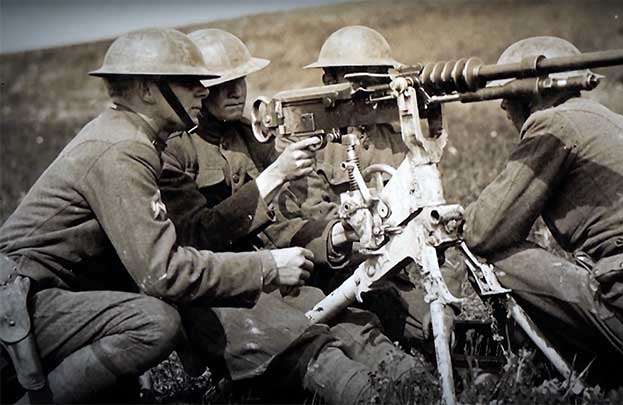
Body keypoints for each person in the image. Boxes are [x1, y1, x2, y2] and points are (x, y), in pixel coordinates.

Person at [0, 28, 311, 403]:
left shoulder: (130, 137)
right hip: (20, 306)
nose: (203, 89)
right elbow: (163, 274)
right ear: (148, 89)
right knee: (153, 324)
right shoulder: (122, 150)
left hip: (46, 298)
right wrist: (266, 267)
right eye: (187, 81)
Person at [159, 28, 429, 404]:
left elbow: (283, 223)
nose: (236, 91)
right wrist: (274, 176)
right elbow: (193, 238)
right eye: (221, 84)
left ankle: (427, 390)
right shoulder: (174, 151)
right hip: (219, 291)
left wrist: (337, 235)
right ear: (198, 90)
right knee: (314, 353)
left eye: (240, 80)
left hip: (282, 277)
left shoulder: (253, 139)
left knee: (356, 329)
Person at [462, 36, 623, 382]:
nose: (503, 106)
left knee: (488, 253)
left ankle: (522, 360)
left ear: (532, 91)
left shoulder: (551, 124)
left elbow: (484, 232)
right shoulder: (615, 123)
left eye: (507, 94)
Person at [289, 25, 461, 350]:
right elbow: (314, 222)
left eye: (376, 79)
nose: (368, 91)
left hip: (390, 273)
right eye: (356, 81)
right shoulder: (311, 145)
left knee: (441, 329)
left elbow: (433, 219)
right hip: (334, 277)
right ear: (329, 82)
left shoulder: (400, 141)